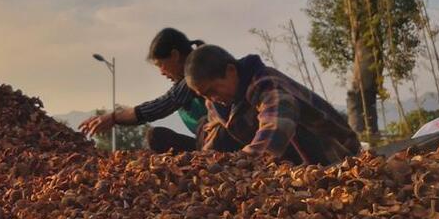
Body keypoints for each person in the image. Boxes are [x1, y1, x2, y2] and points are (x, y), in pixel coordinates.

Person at [184, 44, 360, 165]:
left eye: (213, 90)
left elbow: (277, 125)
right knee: (220, 132)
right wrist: (205, 167)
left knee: (285, 122)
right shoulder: (218, 104)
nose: (213, 98)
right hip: (284, 159)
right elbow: (212, 140)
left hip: (335, 155)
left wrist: (241, 163)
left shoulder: (268, 84)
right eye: (206, 96)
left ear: (231, 71)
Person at [79, 28, 236, 153]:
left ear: (174, 55)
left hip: (232, 137)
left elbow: (162, 105)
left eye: (161, 65)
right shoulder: (183, 84)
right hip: (208, 143)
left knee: (206, 124)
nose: (161, 72)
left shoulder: (199, 69)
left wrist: (114, 118)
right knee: (157, 137)